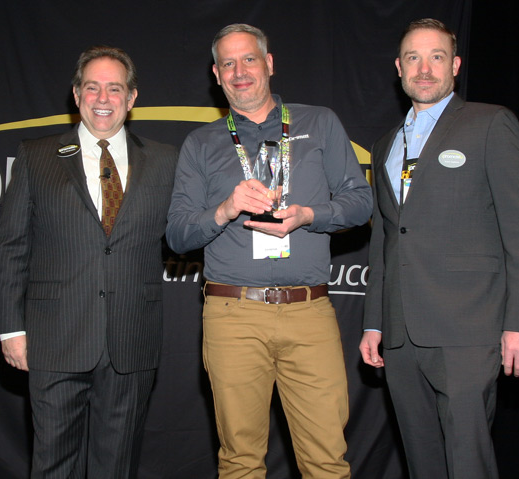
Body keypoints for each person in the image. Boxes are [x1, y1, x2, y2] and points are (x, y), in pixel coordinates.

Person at [166, 24, 372, 478]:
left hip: (308, 312)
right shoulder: (200, 145)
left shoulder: (320, 122)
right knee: (240, 461)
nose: (240, 72)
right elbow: (178, 235)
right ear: (216, 75)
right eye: (228, 64)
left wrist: (309, 216)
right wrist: (224, 209)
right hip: (232, 315)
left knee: (326, 460)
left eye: (249, 59)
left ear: (269, 63)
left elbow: (361, 201)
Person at [360, 18, 519, 479]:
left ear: (455, 65)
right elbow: (384, 242)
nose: (425, 68)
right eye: (414, 58)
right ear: (398, 67)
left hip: (469, 330)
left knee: (468, 461)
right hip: (401, 336)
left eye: (437, 56)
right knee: (423, 462)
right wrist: (374, 325)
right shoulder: (385, 145)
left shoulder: (490, 123)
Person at [0, 45, 177, 478]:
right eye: (92, 88)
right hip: (54, 339)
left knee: (117, 467)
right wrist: (11, 329)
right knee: (53, 463)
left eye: (115, 88)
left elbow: (185, 234)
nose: (103, 99)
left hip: (131, 339)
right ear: (76, 95)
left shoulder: (166, 160)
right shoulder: (36, 155)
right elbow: (11, 246)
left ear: (132, 98)